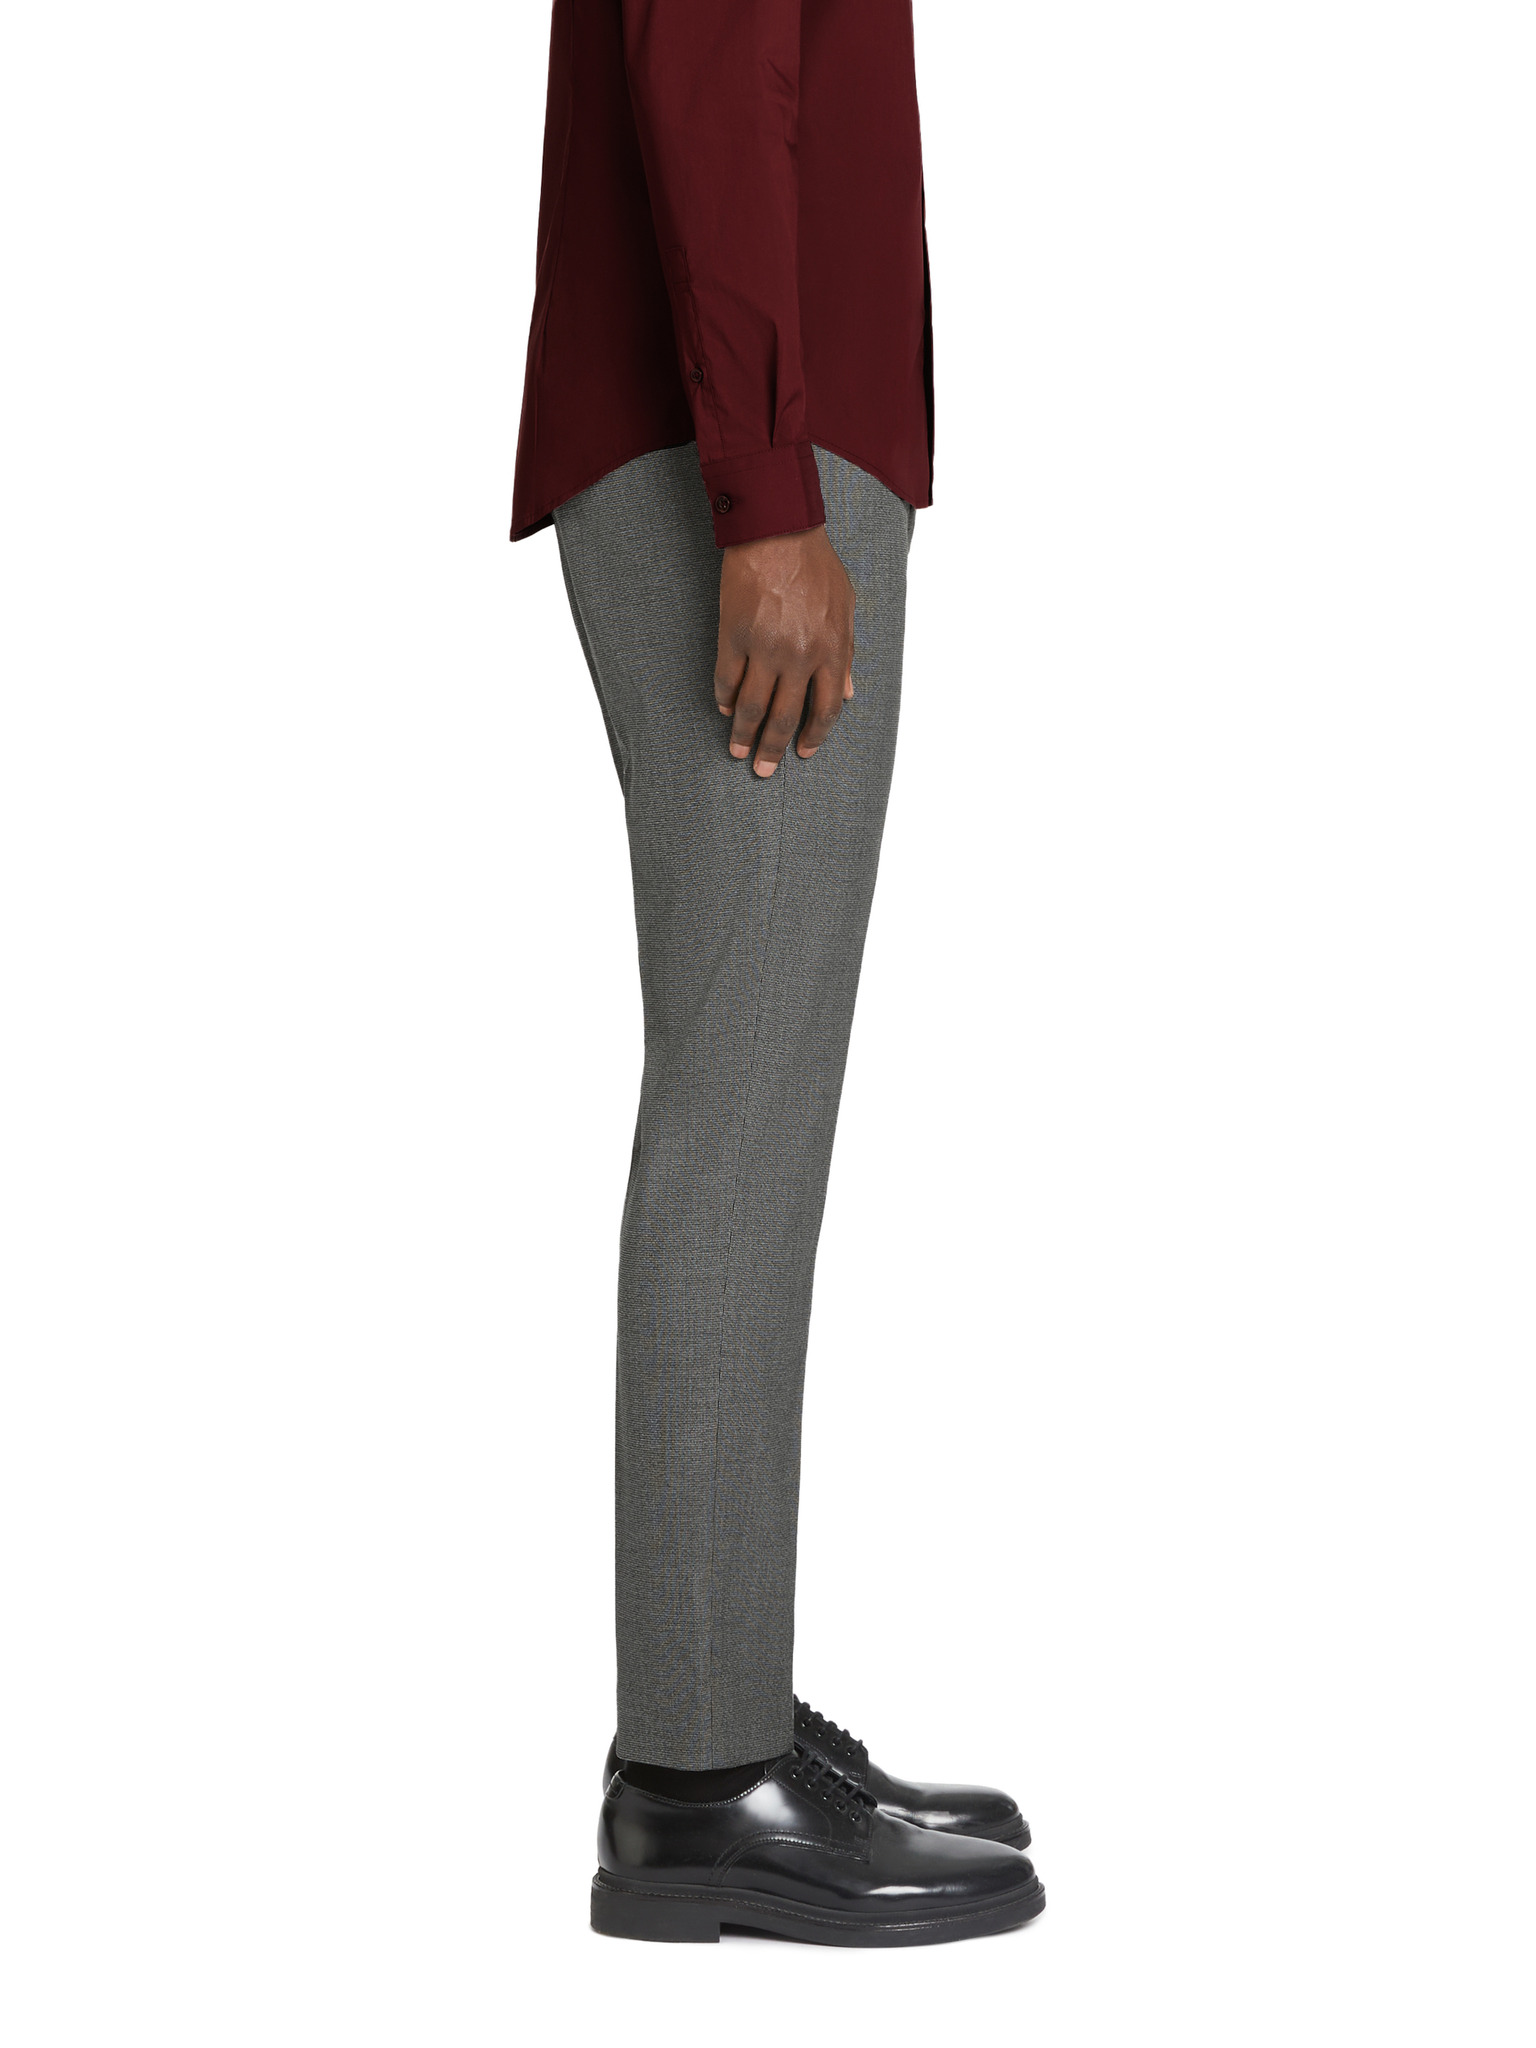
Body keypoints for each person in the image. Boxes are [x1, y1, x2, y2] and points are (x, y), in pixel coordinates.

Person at [510, 1, 1044, 1946]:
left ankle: (722, 1698)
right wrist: (768, 495)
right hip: (745, 462)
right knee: (740, 1109)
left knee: (759, 1096)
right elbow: (714, 73)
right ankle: (696, 1776)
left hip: (763, 439)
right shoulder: (761, 491)